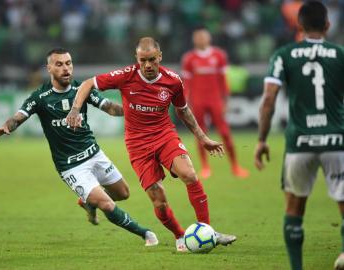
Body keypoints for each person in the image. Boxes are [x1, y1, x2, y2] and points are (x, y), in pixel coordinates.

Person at [66, 37, 237, 252]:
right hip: (137, 144)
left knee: (190, 174)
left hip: (164, 135)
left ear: (160, 57)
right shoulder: (126, 76)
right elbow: (88, 83)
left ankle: (208, 231)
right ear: (136, 59)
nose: (147, 65)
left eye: (152, 60)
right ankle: (180, 236)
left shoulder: (173, 81)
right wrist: (74, 110)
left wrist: (203, 138)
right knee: (159, 199)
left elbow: (183, 110)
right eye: (143, 60)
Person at [0, 48, 158, 247]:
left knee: (123, 193)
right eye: (59, 64)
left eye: (68, 63)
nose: (66, 68)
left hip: (94, 153)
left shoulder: (82, 89)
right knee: (106, 203)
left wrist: (134, 110)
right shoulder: (40, 97)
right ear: (49, 68)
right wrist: (7, 126)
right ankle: (145, 233)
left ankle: (88, 201)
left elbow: (109, 108)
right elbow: (18, 117)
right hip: (71, 166)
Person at [254, 2, 344, 270]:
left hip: (299, 143)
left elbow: (268, 100)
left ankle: (296, 267)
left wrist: (261, 139)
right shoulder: (339, 55)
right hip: (336, 141)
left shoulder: (284, 55)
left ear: (299, 26)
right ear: (328, 25)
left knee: (294, 208)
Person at [181, 27, 249, 179]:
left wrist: (226, 100)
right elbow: (187, 83)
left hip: (215, 100)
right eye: (198, 37)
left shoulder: (219, 55)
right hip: (198, 101)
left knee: (225, 133)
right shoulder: (189, 58)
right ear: (194, 39)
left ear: (209, 38)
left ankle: (235, 166)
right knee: (200, 134)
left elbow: (223, 81)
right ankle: (205, 167)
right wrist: (186, 102)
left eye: (203, 36)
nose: (200, 39)